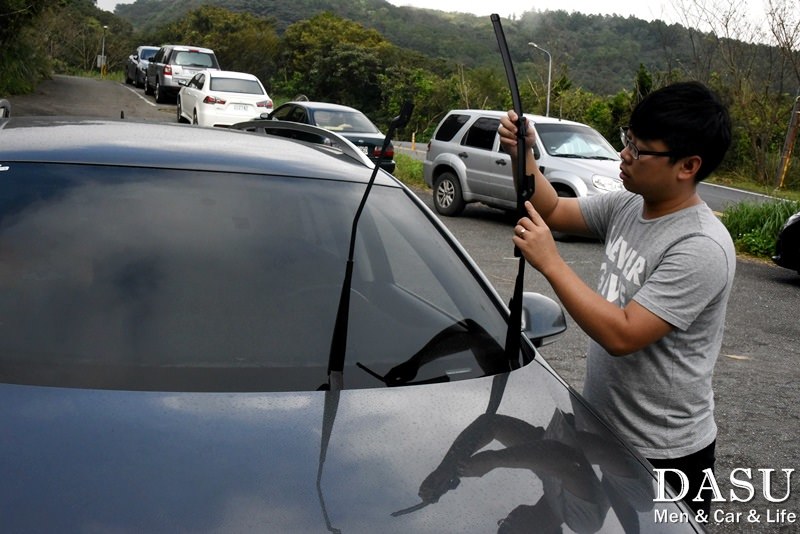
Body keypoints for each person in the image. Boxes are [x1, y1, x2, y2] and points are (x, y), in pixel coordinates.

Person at [498, 81, 735, 516]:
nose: (624, 155)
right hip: (602, 429)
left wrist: (551, 262)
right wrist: (524, 153)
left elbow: (623, 334)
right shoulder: (631, 204)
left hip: (665, 453)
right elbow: (554, 209)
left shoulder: (701, 245)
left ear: (688, 166)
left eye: (639, 149)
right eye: (628, 140)